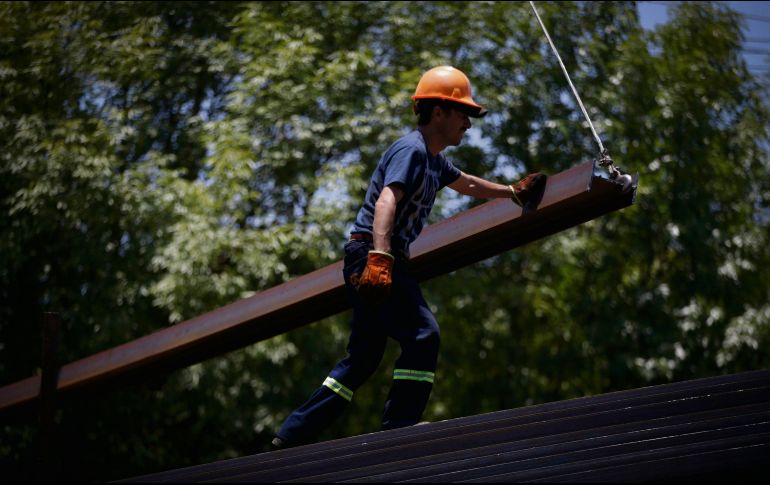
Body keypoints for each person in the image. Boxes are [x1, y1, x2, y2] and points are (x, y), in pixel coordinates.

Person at [272, 65, 546, 449]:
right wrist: (381, 258)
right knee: (423, 335)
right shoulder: (412, 150)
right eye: (462, 113)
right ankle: (399, 429)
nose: (468, 124)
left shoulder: (434, 159)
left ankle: (291, 434)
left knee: (363, 357)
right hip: (375, 253)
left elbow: (465, 182)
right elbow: (387, 200)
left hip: (368, 254)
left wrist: (511, 192)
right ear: (438, 112)